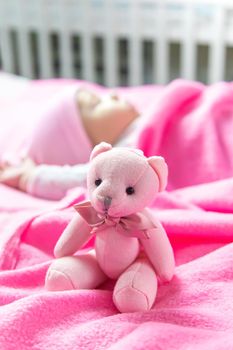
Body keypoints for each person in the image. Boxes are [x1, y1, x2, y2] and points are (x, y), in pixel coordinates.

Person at [0, 87, 140, 200]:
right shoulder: (124, 157)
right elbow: (94, 179)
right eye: (97, 103)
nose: (114, 94)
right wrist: (30, 178)